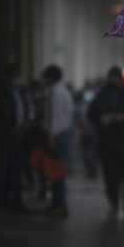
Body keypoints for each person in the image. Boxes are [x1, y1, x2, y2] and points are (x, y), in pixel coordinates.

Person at [87, 66, 124, 220]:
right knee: (111, 176)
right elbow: (91, 114)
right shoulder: (101, 96)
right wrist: (102, 119)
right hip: (108, 143)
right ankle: (114, 203)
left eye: (115, 78)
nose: (113, 81)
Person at [41, 64, 74, 218]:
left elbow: (55, 117)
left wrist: (51, 137)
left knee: (57, 171)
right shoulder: (64, 91)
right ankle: (57, 203)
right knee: (57, 170)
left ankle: (60, 204)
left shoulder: (55, 92)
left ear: (50, 78)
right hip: (63, 134)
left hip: (57, 135)